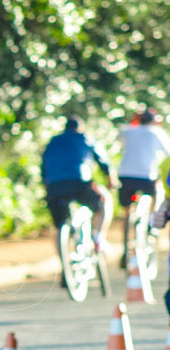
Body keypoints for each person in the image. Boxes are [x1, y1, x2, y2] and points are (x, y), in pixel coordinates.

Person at [41, 115, 118, 252]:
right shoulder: (85, 138)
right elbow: (103, 162)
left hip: (54, 188)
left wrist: (47, 186)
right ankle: (98, 238)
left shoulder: (53, 141)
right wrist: (111, 180)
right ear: (80, 128)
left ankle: (64, 267)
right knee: (104, 200)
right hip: (79, 184)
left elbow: (44, 167)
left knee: (60, 227)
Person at [116, 107, 170, 267]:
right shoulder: (157, 132)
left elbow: (119, 141)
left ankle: (126, 245)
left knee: (128, 212)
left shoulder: (127, 130)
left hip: (125, 175)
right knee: (157, 194)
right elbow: (168, 154)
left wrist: (133, 122)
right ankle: (152, 224)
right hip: (147, 176)